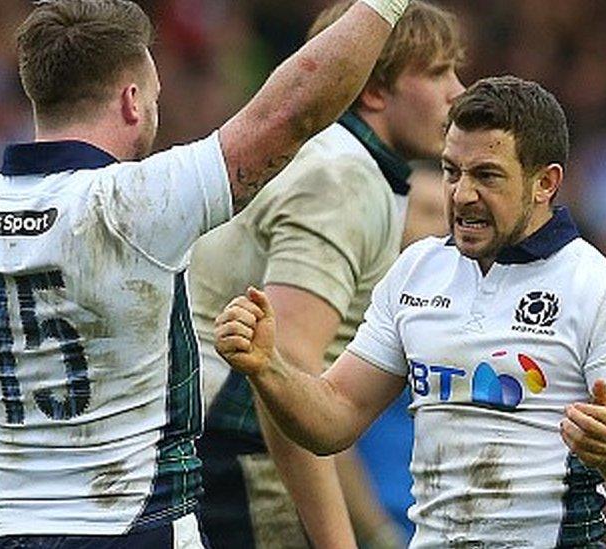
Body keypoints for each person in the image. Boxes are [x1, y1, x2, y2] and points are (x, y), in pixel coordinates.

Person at [0, 0, 413, 545]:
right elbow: (292, 110)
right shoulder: (135, 205)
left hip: (13, 531)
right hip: (139, 529)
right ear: (133, 101)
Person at [215, 76, 606, 548]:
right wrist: (267, 366)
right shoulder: (417, 271)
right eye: (451, 171)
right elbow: (335, 415)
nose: (461, 195)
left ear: (545, 183)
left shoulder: (601, 290)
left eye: (486, 175)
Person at [187, 2, 464, 547]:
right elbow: (283, 369)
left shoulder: (350, 165)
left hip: (225, 446)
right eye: (437, 72)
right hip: (239, 452)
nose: (458, 91)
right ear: (375, 90)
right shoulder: (340, 178)